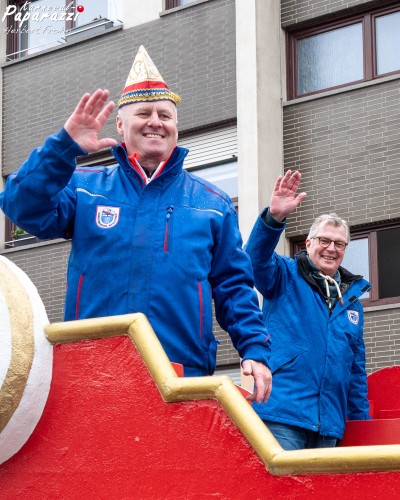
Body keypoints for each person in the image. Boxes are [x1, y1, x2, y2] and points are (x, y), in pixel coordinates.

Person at [0, 46, 272, 403]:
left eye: (165, 115)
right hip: (92, 367)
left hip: (182, 372)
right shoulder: (85, 188)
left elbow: (234, 286)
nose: (155, 122)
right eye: (143, 113)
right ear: (120, 125)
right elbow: (20, 206)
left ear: (176, 127)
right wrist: (63, 148)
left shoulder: (213, 204)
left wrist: (254, 348)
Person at [245, 169, 371, 449]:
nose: (331, 248)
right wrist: (273, 218)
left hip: (330, 426)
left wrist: (362, 427)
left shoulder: (351, 303)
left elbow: (355, 373)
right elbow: (252, 261)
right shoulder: (284, 274)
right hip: (282, 416)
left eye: (339, 243)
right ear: (309, 243)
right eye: (324, 240)